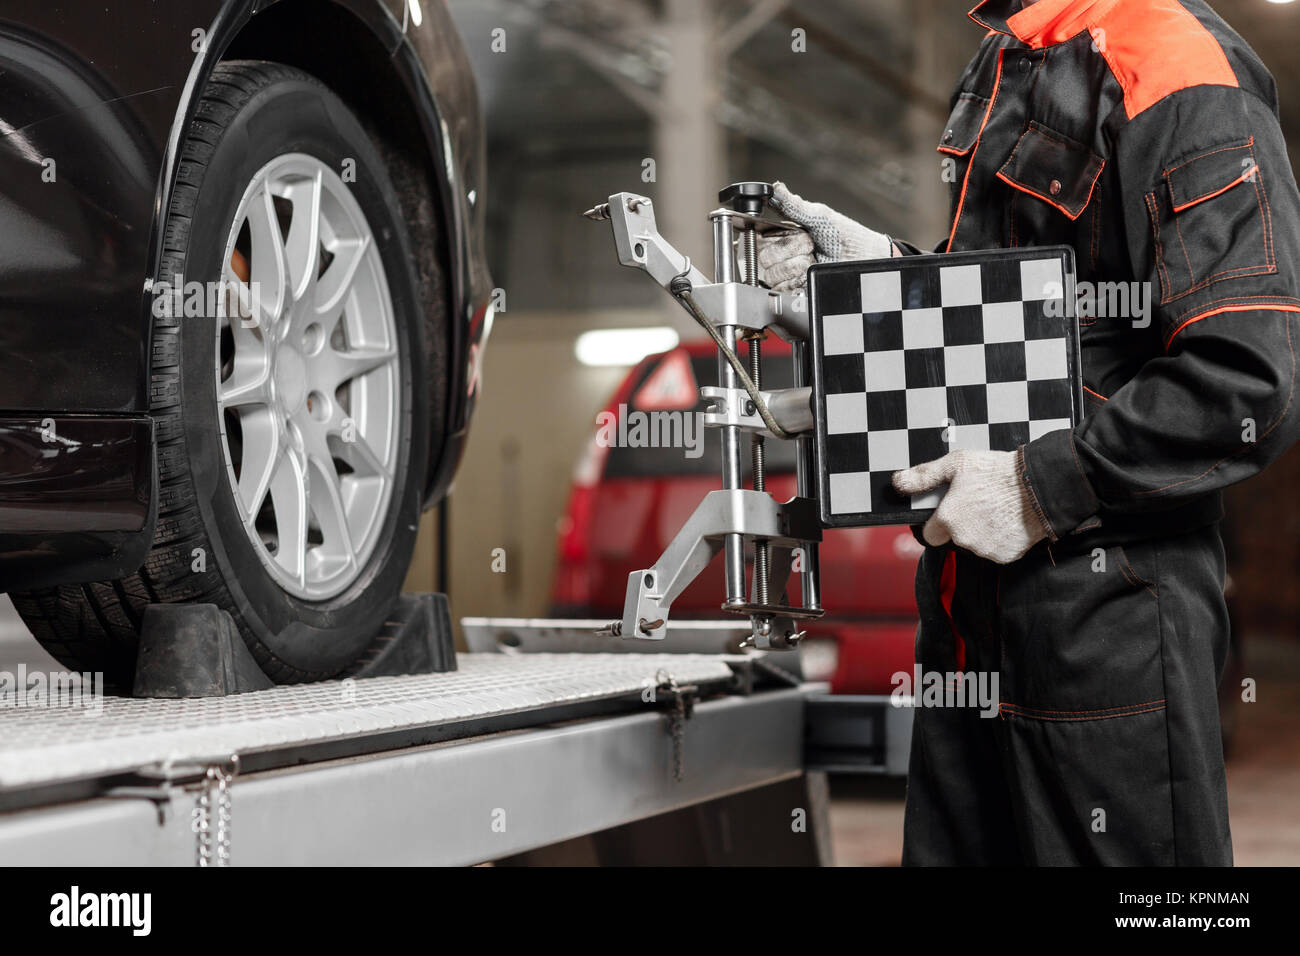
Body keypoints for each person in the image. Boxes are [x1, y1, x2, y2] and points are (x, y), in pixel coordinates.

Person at [761, 0, 1300, 865]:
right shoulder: (1013, 53)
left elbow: (1247, 376)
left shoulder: (1174, 62)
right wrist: (878, 275)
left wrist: (1036, 488)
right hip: (966, 615)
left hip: (1103, 619)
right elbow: (1020, 326)